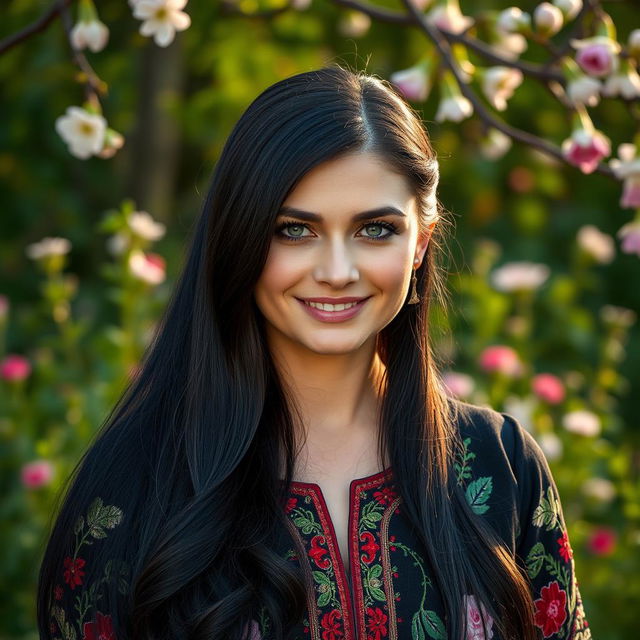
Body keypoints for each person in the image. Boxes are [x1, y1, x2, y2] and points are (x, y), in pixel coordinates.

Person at [37, 65, 592, 640]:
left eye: (375, 230)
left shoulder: (500, 465)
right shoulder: (134, 485)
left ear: (421, 242)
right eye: (294, 231)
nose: (336, 272)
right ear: (241, 238)